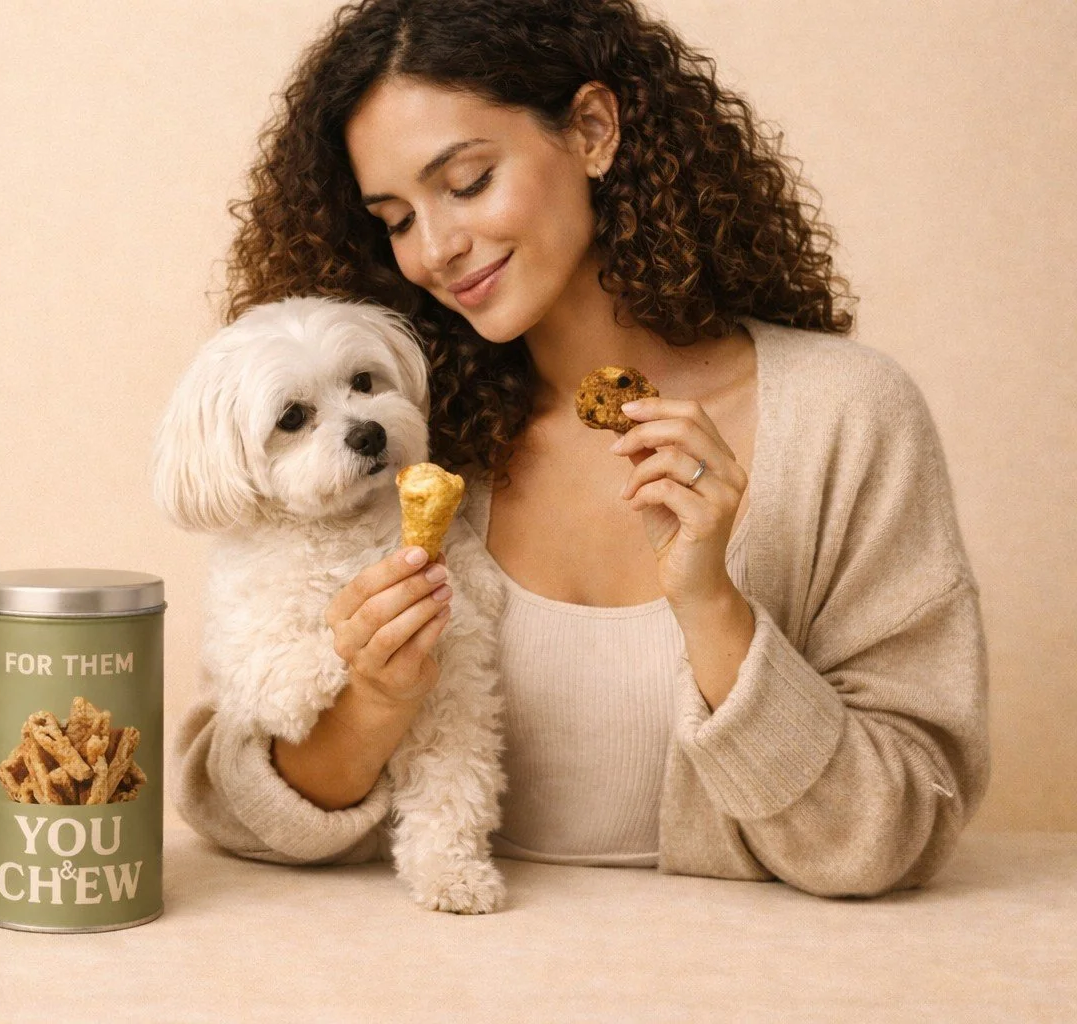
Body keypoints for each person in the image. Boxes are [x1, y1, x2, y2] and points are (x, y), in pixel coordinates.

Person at [171, 0, 989, 898]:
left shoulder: (844, 419)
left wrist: (714, 606)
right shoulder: (397, 444)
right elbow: (231, 804)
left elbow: (897, 828)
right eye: (397, 218)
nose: (437, 249)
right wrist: (374, 700)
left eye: (468, 180)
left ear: (594, 131)